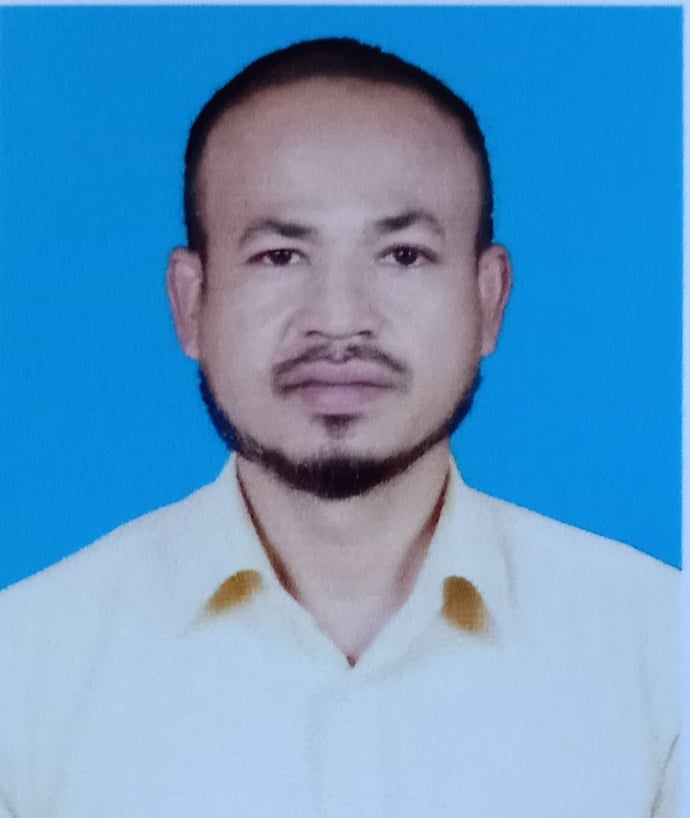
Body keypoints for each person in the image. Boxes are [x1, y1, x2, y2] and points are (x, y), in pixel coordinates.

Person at [0, 37, 679, 818]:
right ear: (191, 303)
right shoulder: (24, 669)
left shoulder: (662, 655)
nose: (340, 320)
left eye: (403, 255)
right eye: (280, 256)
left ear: (489, 300)